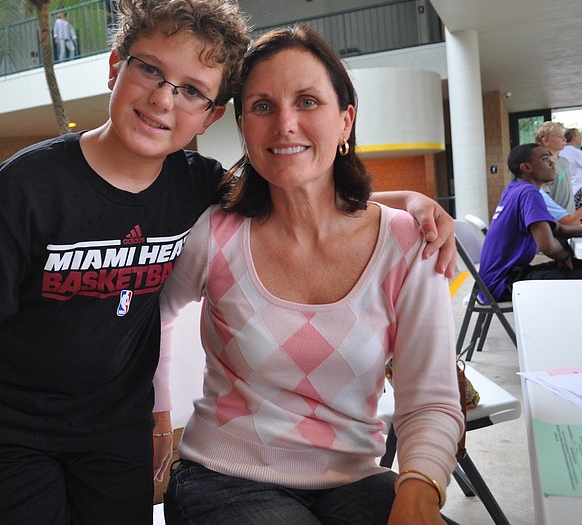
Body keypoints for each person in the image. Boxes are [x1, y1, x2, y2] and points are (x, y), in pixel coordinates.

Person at [0, 0, 455, 525]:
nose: (162, 98)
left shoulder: (194, 187)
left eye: (191, 90)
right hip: (14, 433)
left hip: (114, 439)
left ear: (210, 115)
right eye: (149, 70)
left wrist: (409, 201)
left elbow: (301, 188)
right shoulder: (30, 189)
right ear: (115, 66)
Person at [156, 26, 464, 525]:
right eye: (262, 106)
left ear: (346, 121)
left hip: (354, 478)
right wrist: (158, 413)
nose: (285, 125)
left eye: (307, 102)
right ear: (242, 125)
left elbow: (430, 398)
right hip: (222, 475)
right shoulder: (215, 234)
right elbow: (153, 313)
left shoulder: (408, 244)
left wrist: (419, 486)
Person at [478, 143, 582, 302]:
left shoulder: (515, 188)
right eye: (545, 159)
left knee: (581, 267)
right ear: (526, 167)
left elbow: (557, 228)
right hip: (502, 283)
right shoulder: (529, 193)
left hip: (495, 280)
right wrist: (564, 255)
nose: (552, 162)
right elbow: (547, 246)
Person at [536, 121, 574, 213]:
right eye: (559, 137)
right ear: (545, 141)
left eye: (564, 136)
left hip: (571, 215)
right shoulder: (542, 165)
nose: (564, 140)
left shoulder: (564, 161)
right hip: (556, 219)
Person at [559, 128, 582, 193]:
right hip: (581, 189)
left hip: (569, 189)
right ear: (574, 137)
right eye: (579, 135)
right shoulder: (575, 152)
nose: (581, 137)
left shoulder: (560, 151)